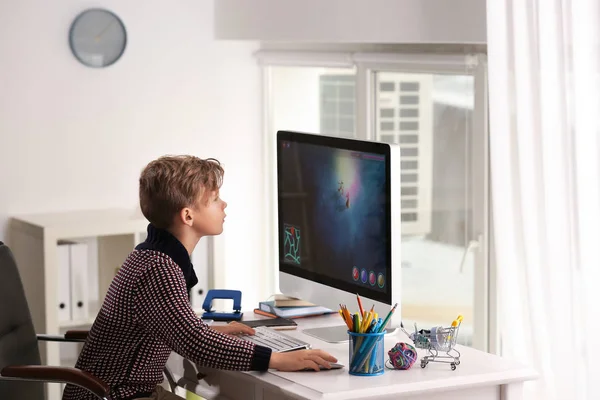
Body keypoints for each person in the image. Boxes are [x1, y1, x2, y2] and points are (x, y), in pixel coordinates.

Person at [62, 155, 337, 400]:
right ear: (188, 216)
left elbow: (173, 327)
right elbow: (197, 345)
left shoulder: (152, 256)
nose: (224, 204)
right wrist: (279, 359)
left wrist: (204, 331)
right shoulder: (159, 269)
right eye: (215, 199)